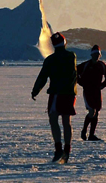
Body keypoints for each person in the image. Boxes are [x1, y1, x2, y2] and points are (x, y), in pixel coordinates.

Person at [31, 32, 78, 163]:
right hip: (69, 93)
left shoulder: (50, 60)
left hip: (57, 93)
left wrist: (35, 90)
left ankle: (59, 149)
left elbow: (43, 77)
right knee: (66, 121)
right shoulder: (71, 56)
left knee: (53, 119)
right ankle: (67, 149)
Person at [77, 45, 106, 141]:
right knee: (92, 111)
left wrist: (103, 84)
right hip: (88, 91)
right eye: (95, 54)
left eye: (98, 54)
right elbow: (74, 72)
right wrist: (81, 83)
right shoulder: (86, 65)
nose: (96, 56)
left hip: (97, 91)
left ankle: (91, 135)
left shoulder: (101, 65)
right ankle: (84, 130)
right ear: (91, 55)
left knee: (96, 112)